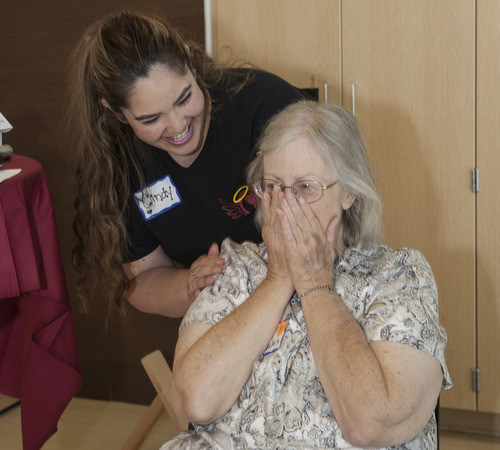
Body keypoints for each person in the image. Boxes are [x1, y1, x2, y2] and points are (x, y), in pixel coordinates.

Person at [165, 101, 452, 449]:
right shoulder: (235, 267)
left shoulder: (399, 276)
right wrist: (278, 279)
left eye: (305, 188)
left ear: (348, 191)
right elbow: (195, 400)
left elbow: (370, 424)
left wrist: (315, 282)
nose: (286, 205)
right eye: (273, 186)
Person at [67, 11, 308, 318]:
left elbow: (338, 217)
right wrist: (190, 285)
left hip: (310, 288)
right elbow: (143, 279)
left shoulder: (265, 107)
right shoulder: (121, 166)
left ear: (189, 62)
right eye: (151, 119)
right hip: (228, 314)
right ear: (116, 113)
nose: (177, 126)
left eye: (184, 99)